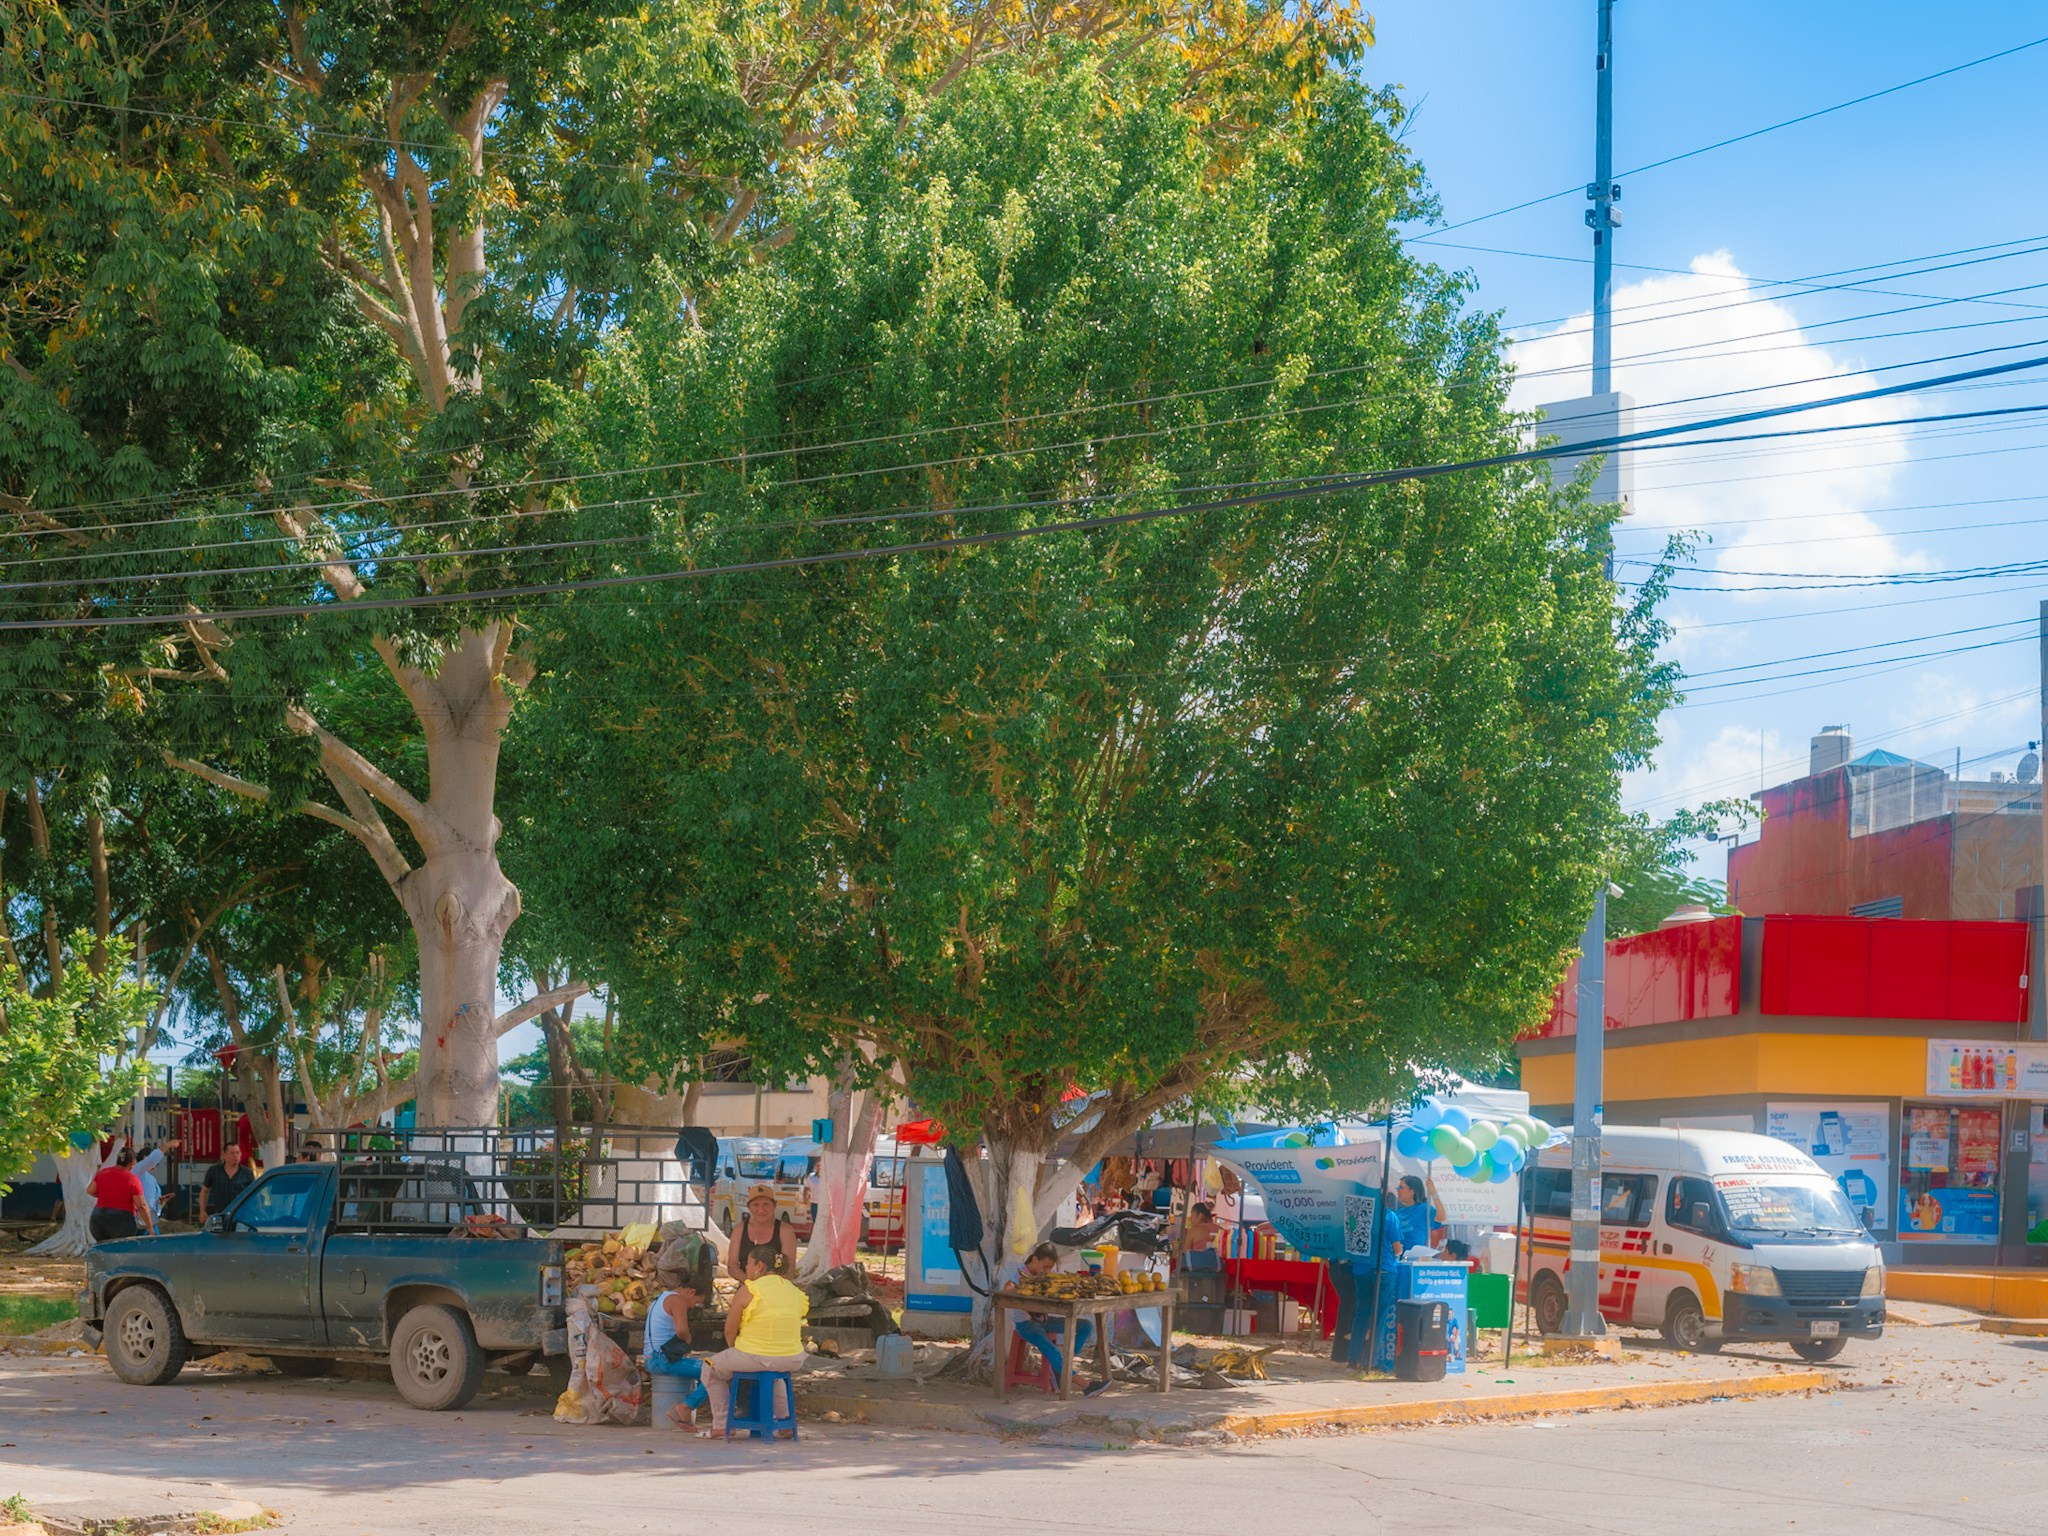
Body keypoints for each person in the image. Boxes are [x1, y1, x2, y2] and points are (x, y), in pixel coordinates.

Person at [700, 1247, 809, 1438]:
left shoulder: (749, 1290)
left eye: (748, 1263)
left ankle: (721, 1424)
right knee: (774, 1372)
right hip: (792, 1358)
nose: (746, 1268)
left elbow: (729, 1330)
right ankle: (784, 1423)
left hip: (754, 1354)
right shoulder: (795, 1291)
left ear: (759, 1266)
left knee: (709, 1368)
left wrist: (735, 1351)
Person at [999, 1242, 1106, 1395]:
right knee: (1051, 1349)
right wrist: (1021, 1288)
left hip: (1044, 1322)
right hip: (1027, 1325)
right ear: (1035, 1260)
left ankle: (1060, 1367)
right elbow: (1007, 1288)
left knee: (1085, 1326)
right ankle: (1085, 1386)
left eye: (1050, 1268)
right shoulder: (1021, 1274)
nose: (1047, 1271)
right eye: (1045, 1266)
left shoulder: (1044, 1277)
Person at [644, 1271, 711, 1428]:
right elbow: (681, 1331)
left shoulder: (659, 1298)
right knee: (715, 1371)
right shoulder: (677, 1300)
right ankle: (686, 1406)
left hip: (651, 1358)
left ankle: (684, 1412)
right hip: (663, 1360)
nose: (694, 1306)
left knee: (707, 1369)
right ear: (691, 1292)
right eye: (696, 1301)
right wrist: (688, 1341)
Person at [725, 1184, 798, 1279]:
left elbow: (789, 1268)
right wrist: (750, 1285)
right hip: (747, 1285)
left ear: (774, 1205)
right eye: (756, 1205)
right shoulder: (739, 1230)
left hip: (776, 1286)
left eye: (766, 1204)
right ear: (749, 1207)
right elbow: (732, 1265)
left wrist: (768, 1286)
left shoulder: (785, 1231)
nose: (761, 1209)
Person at [86, 1147, 151, 1243]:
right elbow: (142, 1206)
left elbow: (90, 1190)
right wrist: (150, 1227)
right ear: (132, 1162)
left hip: (97, 1220)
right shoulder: (132, 1179)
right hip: (121, 1221)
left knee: (104, 1249)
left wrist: (108, 1196)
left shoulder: (103, 1173)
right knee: (121, 1250)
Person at [198, 1144, 253, 1224]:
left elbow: (253, 1194)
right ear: (224, 1155)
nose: (236, 1156)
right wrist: (202, 1211)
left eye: (238, 1153)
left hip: (241, 1217)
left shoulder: (247, 1173)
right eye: (232, 1153)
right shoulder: (214, 1171)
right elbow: (204, 1191)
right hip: (220, 1215)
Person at [132, 1140, 178, 1233]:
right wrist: (168, 1145)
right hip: (140, 1222)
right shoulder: (138, 1171)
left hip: (152, 1221)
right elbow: (152, 1160)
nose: (156, 1163)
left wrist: (162, 1201)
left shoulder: (152, 1179)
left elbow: (154, 1203)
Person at [1180, 1201, 1223, 1272]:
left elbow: (1185, 1253)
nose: (1190, 1219)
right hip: (1218, 1270)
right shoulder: (1221, 1230)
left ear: (1200, 1215)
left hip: (1196, 1271)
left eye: (1192, 1215)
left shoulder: (1193, 1231)